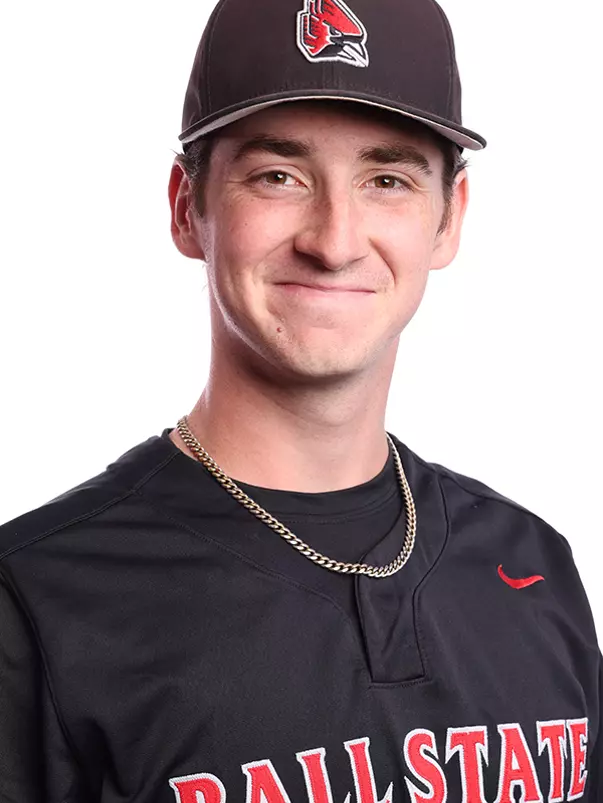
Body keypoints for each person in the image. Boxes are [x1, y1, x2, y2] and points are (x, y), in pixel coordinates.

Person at [0, 0, 600, 799]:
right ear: (186, 207)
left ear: (448, 219)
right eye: (277, 176)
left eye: (386, 180)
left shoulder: (531, 563)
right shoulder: (39, 601)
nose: (334, 240)